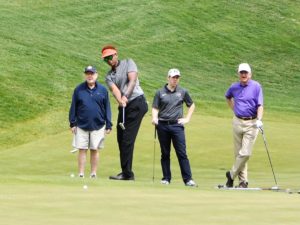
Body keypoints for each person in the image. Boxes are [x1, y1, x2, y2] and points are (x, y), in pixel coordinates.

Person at [101, 45, 148, 181]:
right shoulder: (109, 76)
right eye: (106, 59)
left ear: (116, 54)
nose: (109, 60)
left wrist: (125, 96)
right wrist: (120, 99)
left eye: (110, 57)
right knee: (121, 138)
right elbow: (115, 90)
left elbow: (132, 81)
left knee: (127, 139)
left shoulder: (128, 62)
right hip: (124, 106)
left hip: (137, 103)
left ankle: (127, 174)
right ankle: (126, 172)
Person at [152, 68, 197, 187]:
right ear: (168, 78)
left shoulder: (182, 91)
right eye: (173, 77)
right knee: (165, 153)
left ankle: (188, 179)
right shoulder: (160, 92)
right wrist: (154, 118)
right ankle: (166, 178)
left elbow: (191, 105)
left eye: (177, 77)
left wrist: (187, 118)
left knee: (182, 153)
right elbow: (155, 107)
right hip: (162, 125)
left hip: (177, 125)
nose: (175, 80)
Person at [224, 63, 264, 188]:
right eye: (241, 73)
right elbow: (228, 97)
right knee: (239, 154)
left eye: (246, 73)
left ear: (250, 74)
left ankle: (231, 175)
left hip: (252, 123)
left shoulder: (256, 86)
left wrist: (259, 119)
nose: (243, 75)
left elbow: (260, 105)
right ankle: (243, 182)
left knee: (245, 153)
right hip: (237, 121)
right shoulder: (234, 87)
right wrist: (234, 110)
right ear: (239, 74)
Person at [69, 65, 112, 178]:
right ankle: (81, 173)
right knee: (82, 149)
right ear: (85, 75)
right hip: (81, 124)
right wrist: (72, 123)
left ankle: (93, 173)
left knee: (95, 149)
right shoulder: (79, 89)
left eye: (92, 74)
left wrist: (109, 124)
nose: (90, 76)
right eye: (88, 74)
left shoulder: (103, 90)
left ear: (96, 75)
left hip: (98, 125)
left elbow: (107, 108)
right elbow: (73, 107)